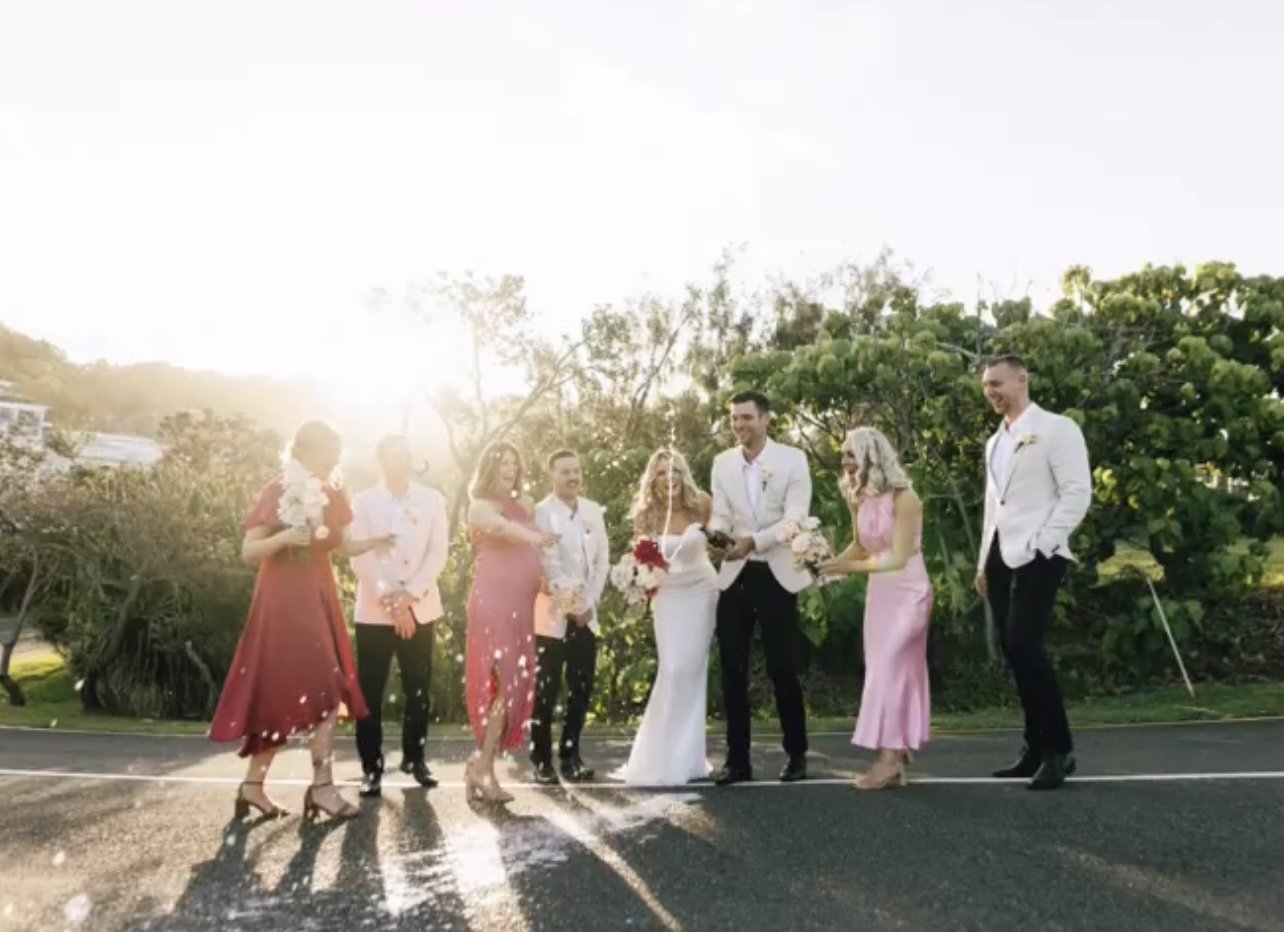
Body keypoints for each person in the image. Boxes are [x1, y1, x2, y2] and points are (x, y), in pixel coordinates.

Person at [209, 420, 394, 821]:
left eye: (338, 453)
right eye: (329, 452)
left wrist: (376, 542)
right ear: (305, 452)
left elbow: (342, 547)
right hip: (281, 600)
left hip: (319, 597)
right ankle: (321, 787)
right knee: (316, 687)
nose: (334, 460)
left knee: (319, 688)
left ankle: (254, 785)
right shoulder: (278, 490)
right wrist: (282, 539)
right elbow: (248, 549)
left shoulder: (334, 493)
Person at [976, 355, 1092, 790]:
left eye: (997, 383)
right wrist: (983, 562)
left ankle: (1059, 751)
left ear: (1022, 380)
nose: (991, 392)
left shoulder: (1058, 429)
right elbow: (993, 506)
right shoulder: (995, 442)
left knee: (1026, 645)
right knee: (1013, 649)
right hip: (1001, 556)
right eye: (986, 385)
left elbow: (1077, 493)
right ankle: (1033, 747)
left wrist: (1043, 544)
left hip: (1041, 553)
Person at [707, 390, 813, 785]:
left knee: (782, 667)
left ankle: (797, 754)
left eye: (747, 418)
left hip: (777, 572)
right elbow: (719, 512)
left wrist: (755, 541)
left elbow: (797, 519)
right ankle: (737, 761)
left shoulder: (793, 459)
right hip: (735, 574)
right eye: (735, 419)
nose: (740, 426)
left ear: (766, 419)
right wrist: (717, 538)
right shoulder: (721, 463)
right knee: (731, 670)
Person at [818, 427, 933, 790]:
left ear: (871, 455)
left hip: (909, 591)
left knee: (891, 668)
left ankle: (887, 760)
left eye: (851, 454)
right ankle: (896, 752)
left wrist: (846, 569)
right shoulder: (859, 497)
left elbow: (897, 558)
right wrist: (826, 564)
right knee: (886, 670)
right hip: (880, 595)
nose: (845, 462)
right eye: (844, 455)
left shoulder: (905, 497)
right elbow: (860, 545)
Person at [349, 435, 449, 798]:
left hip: (420, 607)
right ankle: (371, 767)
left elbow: (438, 552)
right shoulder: (363, 502)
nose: (402, 461)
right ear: (382, 460)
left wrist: (410, 596)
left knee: (418, 687)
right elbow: (360, 556)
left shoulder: (432, 499)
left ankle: (416, 757)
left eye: (407, 454)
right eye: (394, 455)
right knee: (370, 691)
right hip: (375, 611)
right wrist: (389, 599)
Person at [616, 449, 719, 786]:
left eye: (674, 470)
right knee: (672, 668)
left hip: (702, 590)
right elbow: (641, 557)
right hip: (669, 595)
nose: (669, 477)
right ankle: (659, 755)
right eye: (661, 473)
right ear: (653, 478)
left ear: (683, 472)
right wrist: (642, 578)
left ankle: (687, 759)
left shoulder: (701, 503)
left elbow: (719, 541)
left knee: (692, 669)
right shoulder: (646, 514)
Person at [464, 441, 558, 803]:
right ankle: (485, 770)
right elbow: (502, 530)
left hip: (522, 604)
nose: (510, 468)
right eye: (502, 462)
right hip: (493, 602)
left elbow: (531, 551)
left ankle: (480, 763)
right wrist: (535, 536)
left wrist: (549, 579)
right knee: (501, 681)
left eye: (514, 462)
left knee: (515, 684)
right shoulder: (480, 507)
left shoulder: (528, 504)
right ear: (488, 468)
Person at [530, 450, 610, 784]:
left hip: (586, 616)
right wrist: (571, 603)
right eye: (565, 471)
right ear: (551, 474)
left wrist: (589, 602)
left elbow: (603, 559)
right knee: (546, 690)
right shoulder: (541, 512)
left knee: (581, 688)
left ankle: (571, 755)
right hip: (552, 616)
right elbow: (548, 563)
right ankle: (541, 760)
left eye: (576, 470)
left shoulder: (592, 510)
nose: (573, 477)